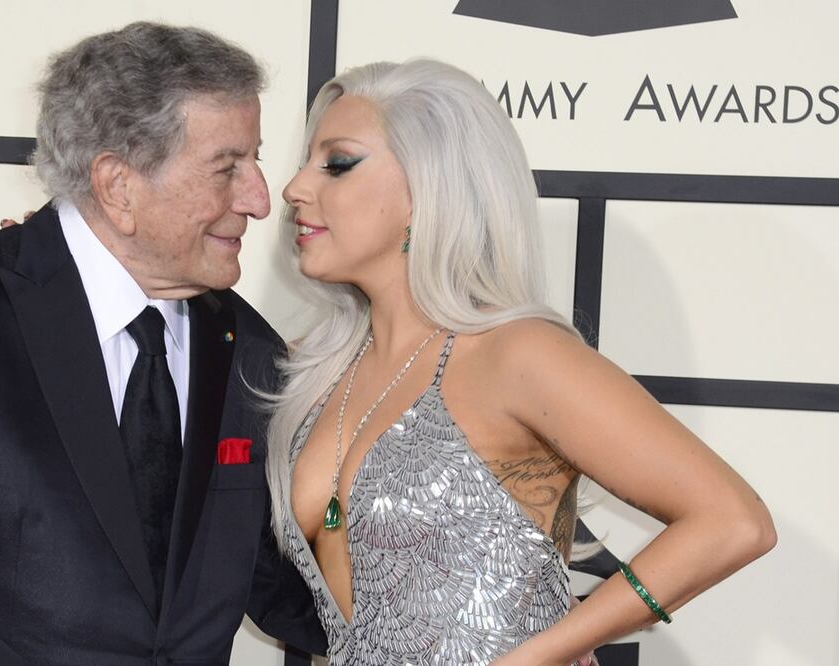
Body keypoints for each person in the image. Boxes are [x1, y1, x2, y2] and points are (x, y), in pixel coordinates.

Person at [0, 23, 324, 665]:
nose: (261, 199)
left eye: (255, 161)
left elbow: (289, 591)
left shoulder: (250, 350)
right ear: (118, 185)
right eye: (227, 167)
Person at [266, 59, 777, 665]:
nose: (295, 188)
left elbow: (733, 521)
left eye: (337, 164)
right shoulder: (313, 372)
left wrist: (545, 651)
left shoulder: (515, 353)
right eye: (306, 162)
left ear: (430, 186)